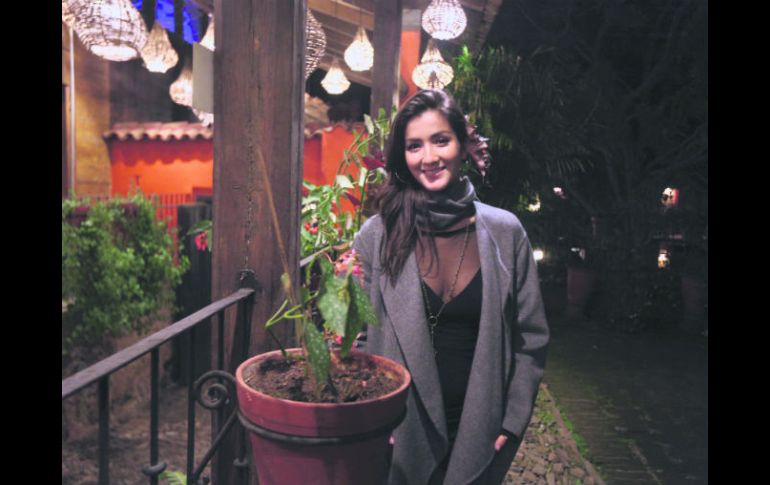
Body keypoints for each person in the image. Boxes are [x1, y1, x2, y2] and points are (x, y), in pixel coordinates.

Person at [352, 89, 550, 485]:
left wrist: (512, 421)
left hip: (480, 425)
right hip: (400, 428)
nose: (428, 157)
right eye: (414, 146)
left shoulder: (506, 232)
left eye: (440, 140)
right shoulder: (376, 236)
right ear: (402, 156)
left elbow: (530, 338)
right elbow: (360, 336)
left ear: (462, 145)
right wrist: (372, 416)